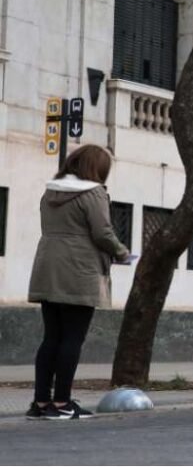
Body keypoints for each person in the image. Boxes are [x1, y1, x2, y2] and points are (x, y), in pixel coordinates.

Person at [27, 145, 131, 420]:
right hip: (79, 269)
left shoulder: (50, 191)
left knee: (51, 337)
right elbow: (102, 232)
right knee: (72, 338)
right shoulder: (93, 193)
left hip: (48, 266)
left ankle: (40, 402)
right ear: (97, 169)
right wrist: (122, 252)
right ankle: (62, 403)